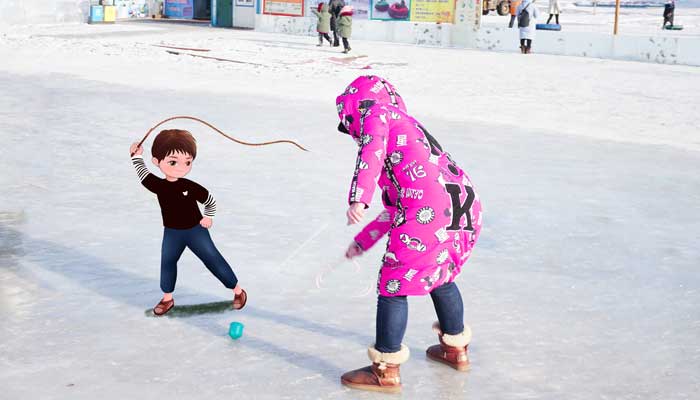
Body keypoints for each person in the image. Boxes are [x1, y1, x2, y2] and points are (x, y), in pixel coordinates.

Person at [335, 76, 483, 393]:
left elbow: (370, 148)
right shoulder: (407, 134)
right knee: (439, 273)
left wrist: (359, 196)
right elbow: (395, 208)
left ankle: (385, 370)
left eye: (348, 125)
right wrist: (363, 241)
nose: (351, 133)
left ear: (354, 108)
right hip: (462, 206)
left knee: (393, 284)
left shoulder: (376, 112)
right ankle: (455, 347)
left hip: (429, 208)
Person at [129, 130, 247, 316]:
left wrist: (208, 217)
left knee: (212, 259)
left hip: (195, 231)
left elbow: (209, 201)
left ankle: (238, 291)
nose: (180, 167)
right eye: (173, 162)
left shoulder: (190, 186)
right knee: (167, 262)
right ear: (157, 162)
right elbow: (143, 175)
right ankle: (167, 298)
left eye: (187, 162)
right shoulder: (159, 186)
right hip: (172, 232)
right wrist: (136, 156)